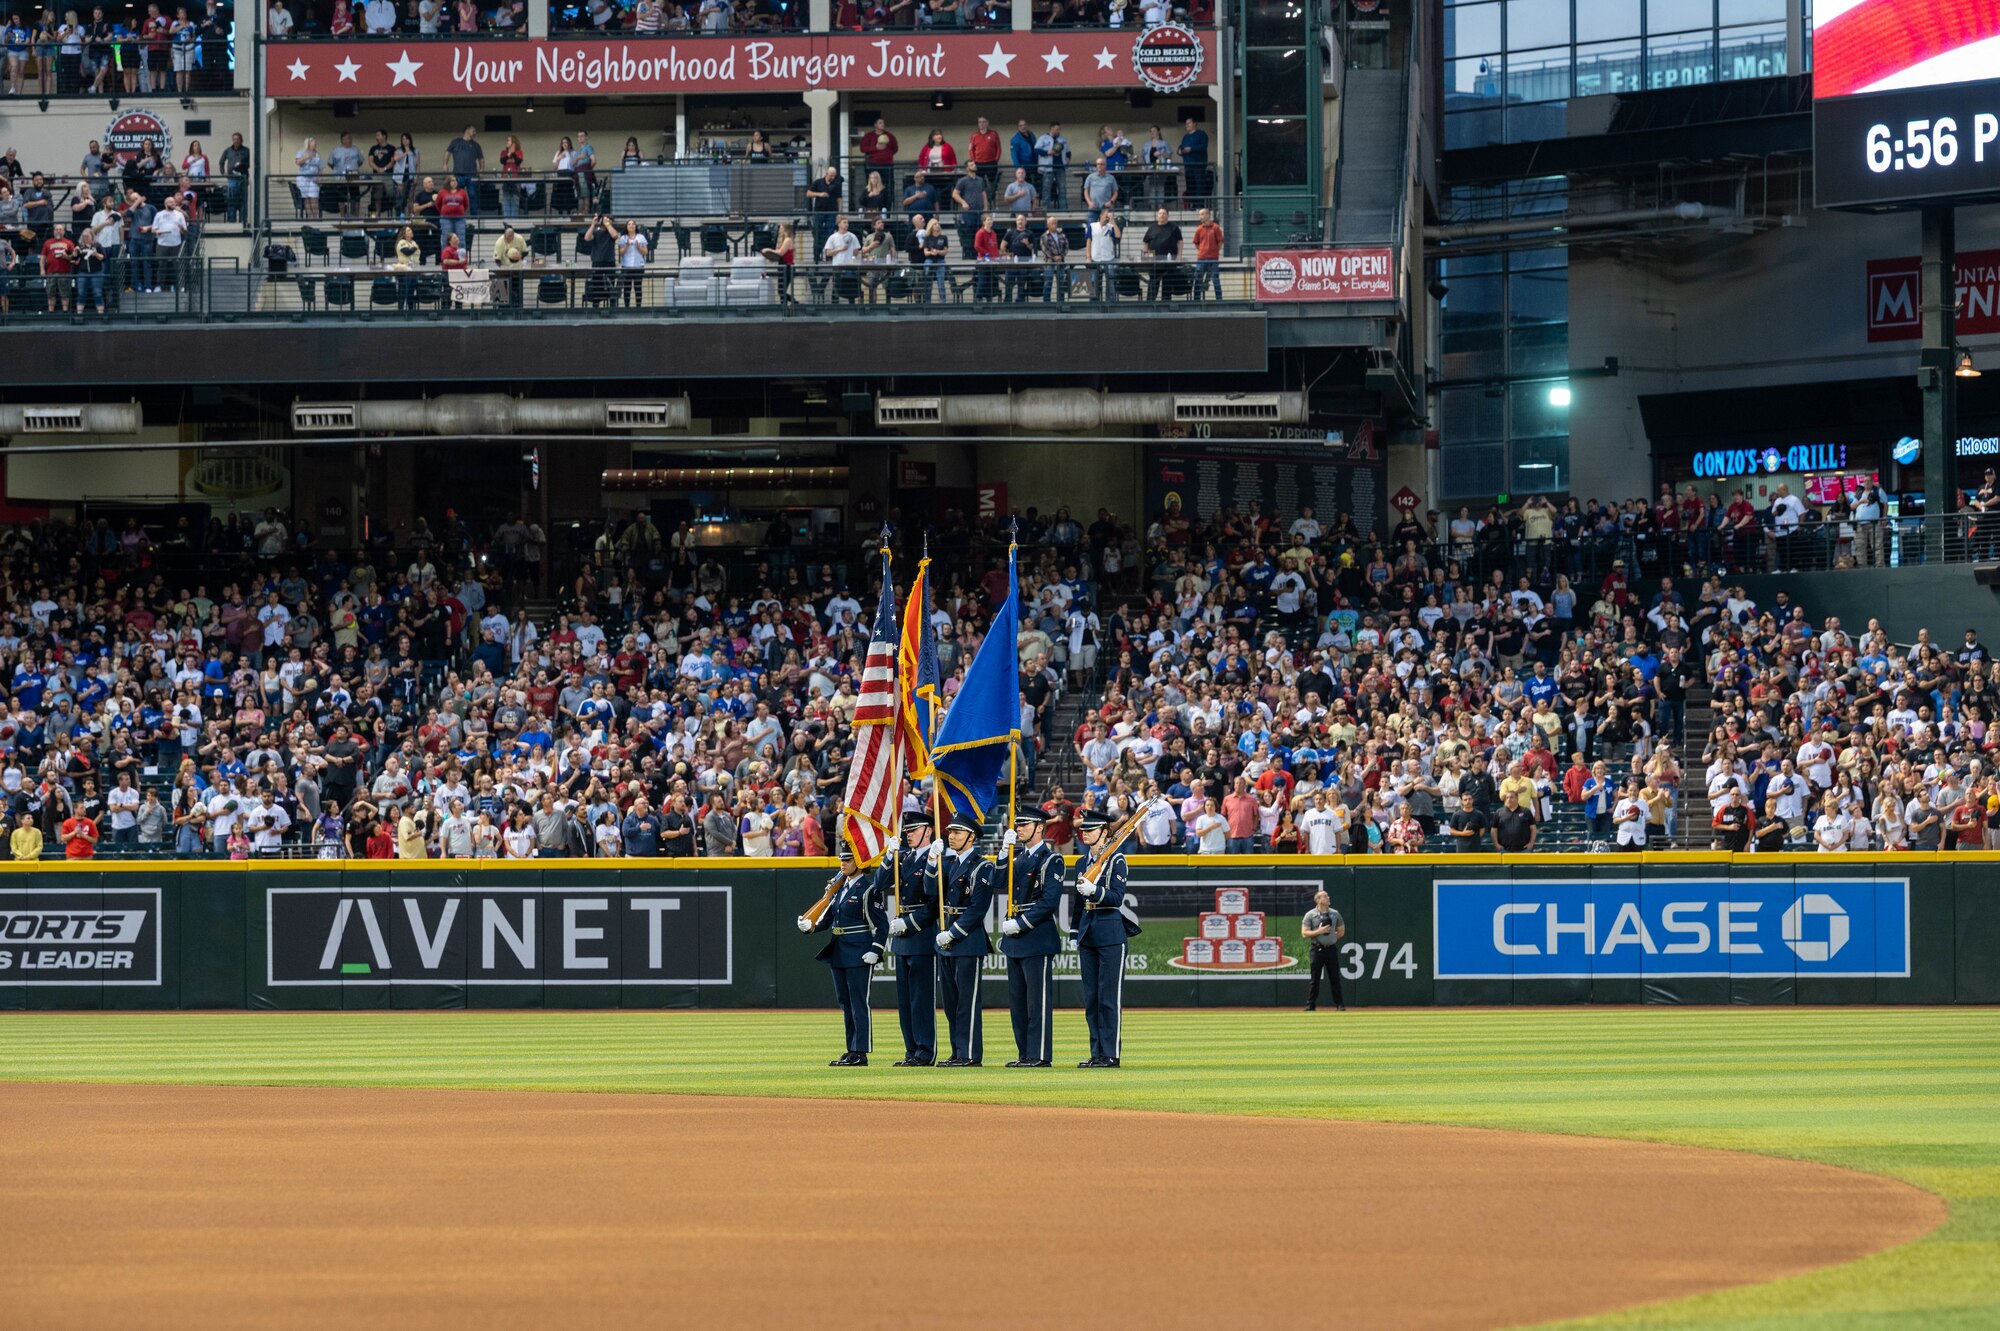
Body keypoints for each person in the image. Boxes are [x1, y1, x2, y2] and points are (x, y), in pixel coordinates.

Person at [799, 841, 886, 1066]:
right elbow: (828, 918)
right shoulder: (840, 888)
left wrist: (876, 950)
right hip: (839, 950)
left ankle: (861, 1051)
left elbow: (881, 925)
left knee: (859, 1002)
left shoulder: (868, 890)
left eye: (847, 860)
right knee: (846, 1003)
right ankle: (851, 1048)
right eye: (841, 860)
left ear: (859, 862)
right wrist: (812, 927)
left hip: (859, 951)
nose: (843, 863)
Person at [997, 805, 1063, 1067]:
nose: (1019, 828)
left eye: (1024, 825)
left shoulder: (1051, 860)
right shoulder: (1017, 858)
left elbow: (1049, 902)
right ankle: (1024, 1052)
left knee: (1037, 1002)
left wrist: (1021, 923)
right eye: (1018, 825)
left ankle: (1039, 1055)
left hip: (1036, 936)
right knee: (1018, 1002)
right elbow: (997, 881)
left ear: (1039, 828)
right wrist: (1003, 853)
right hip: (1015, 939)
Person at [1071, 809, 1136, 1067]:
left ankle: (1110, 1054)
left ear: (1104, 832)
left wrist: (1095, 891)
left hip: (1110, 932)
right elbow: (1078, 904)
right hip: (1088, 931)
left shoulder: (1116, 860)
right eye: (1084, 829)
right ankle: (1097, 1052)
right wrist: (1076, 932)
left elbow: (1116, 898)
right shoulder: (1081, 863)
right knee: (1092, 999)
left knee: (1109, 998)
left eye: (1091, 829)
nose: (1085, 833)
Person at [929, 812, 993, 1066]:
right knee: (951, 1002)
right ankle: (957, 1051)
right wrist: (932, 864)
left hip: (967, 941)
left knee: (967, 1002)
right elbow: (930, 892)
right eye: (950, 832)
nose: (950, 836)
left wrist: (952, 933)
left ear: (971, 836)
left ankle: (969, 1054)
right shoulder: (949, 863)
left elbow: (977, 909)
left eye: (956, 832)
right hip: (946, 941)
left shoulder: (981, 865)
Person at [884, 818, 939, 1066]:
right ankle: (911, 1050)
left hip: (921, 932)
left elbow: (933, 901)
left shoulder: (936, 857)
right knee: (905, 1000)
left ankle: (925, 1051)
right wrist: (887, 858)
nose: (908, 835)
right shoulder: (903, 857)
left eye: (913, 830)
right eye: (906, 831)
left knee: (921, 999)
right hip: (902, 935)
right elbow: (879, 884)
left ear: (928, 831)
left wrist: (910, 923)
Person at [1300, 888, 1345, 1011]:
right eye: (1325, 896)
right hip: (1317, 949)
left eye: (1327, 896)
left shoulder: (1335, 913)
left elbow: (1341, 931)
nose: (1328, 898)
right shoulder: (1310, 914)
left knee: (1334, 977)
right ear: (1318, 900)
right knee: (1315, 979)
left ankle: (1339, 1004)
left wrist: (1331, 938)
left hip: (1331, 949)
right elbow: (1304, 933)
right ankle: (1311, 1004)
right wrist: (1319, 932)